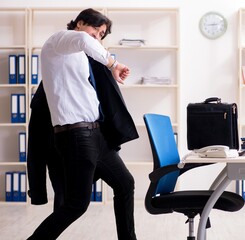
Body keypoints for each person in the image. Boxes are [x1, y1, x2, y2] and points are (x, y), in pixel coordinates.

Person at [27, 8, 138, 240]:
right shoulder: (59, 40)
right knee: (77, 205)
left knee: (125, 184)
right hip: (76, 136)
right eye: (96, 31)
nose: (97, 38)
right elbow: (83, 40)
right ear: (80, 23)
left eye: (102, 35)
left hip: (96, 135)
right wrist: (113, 64)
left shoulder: (78, 55)